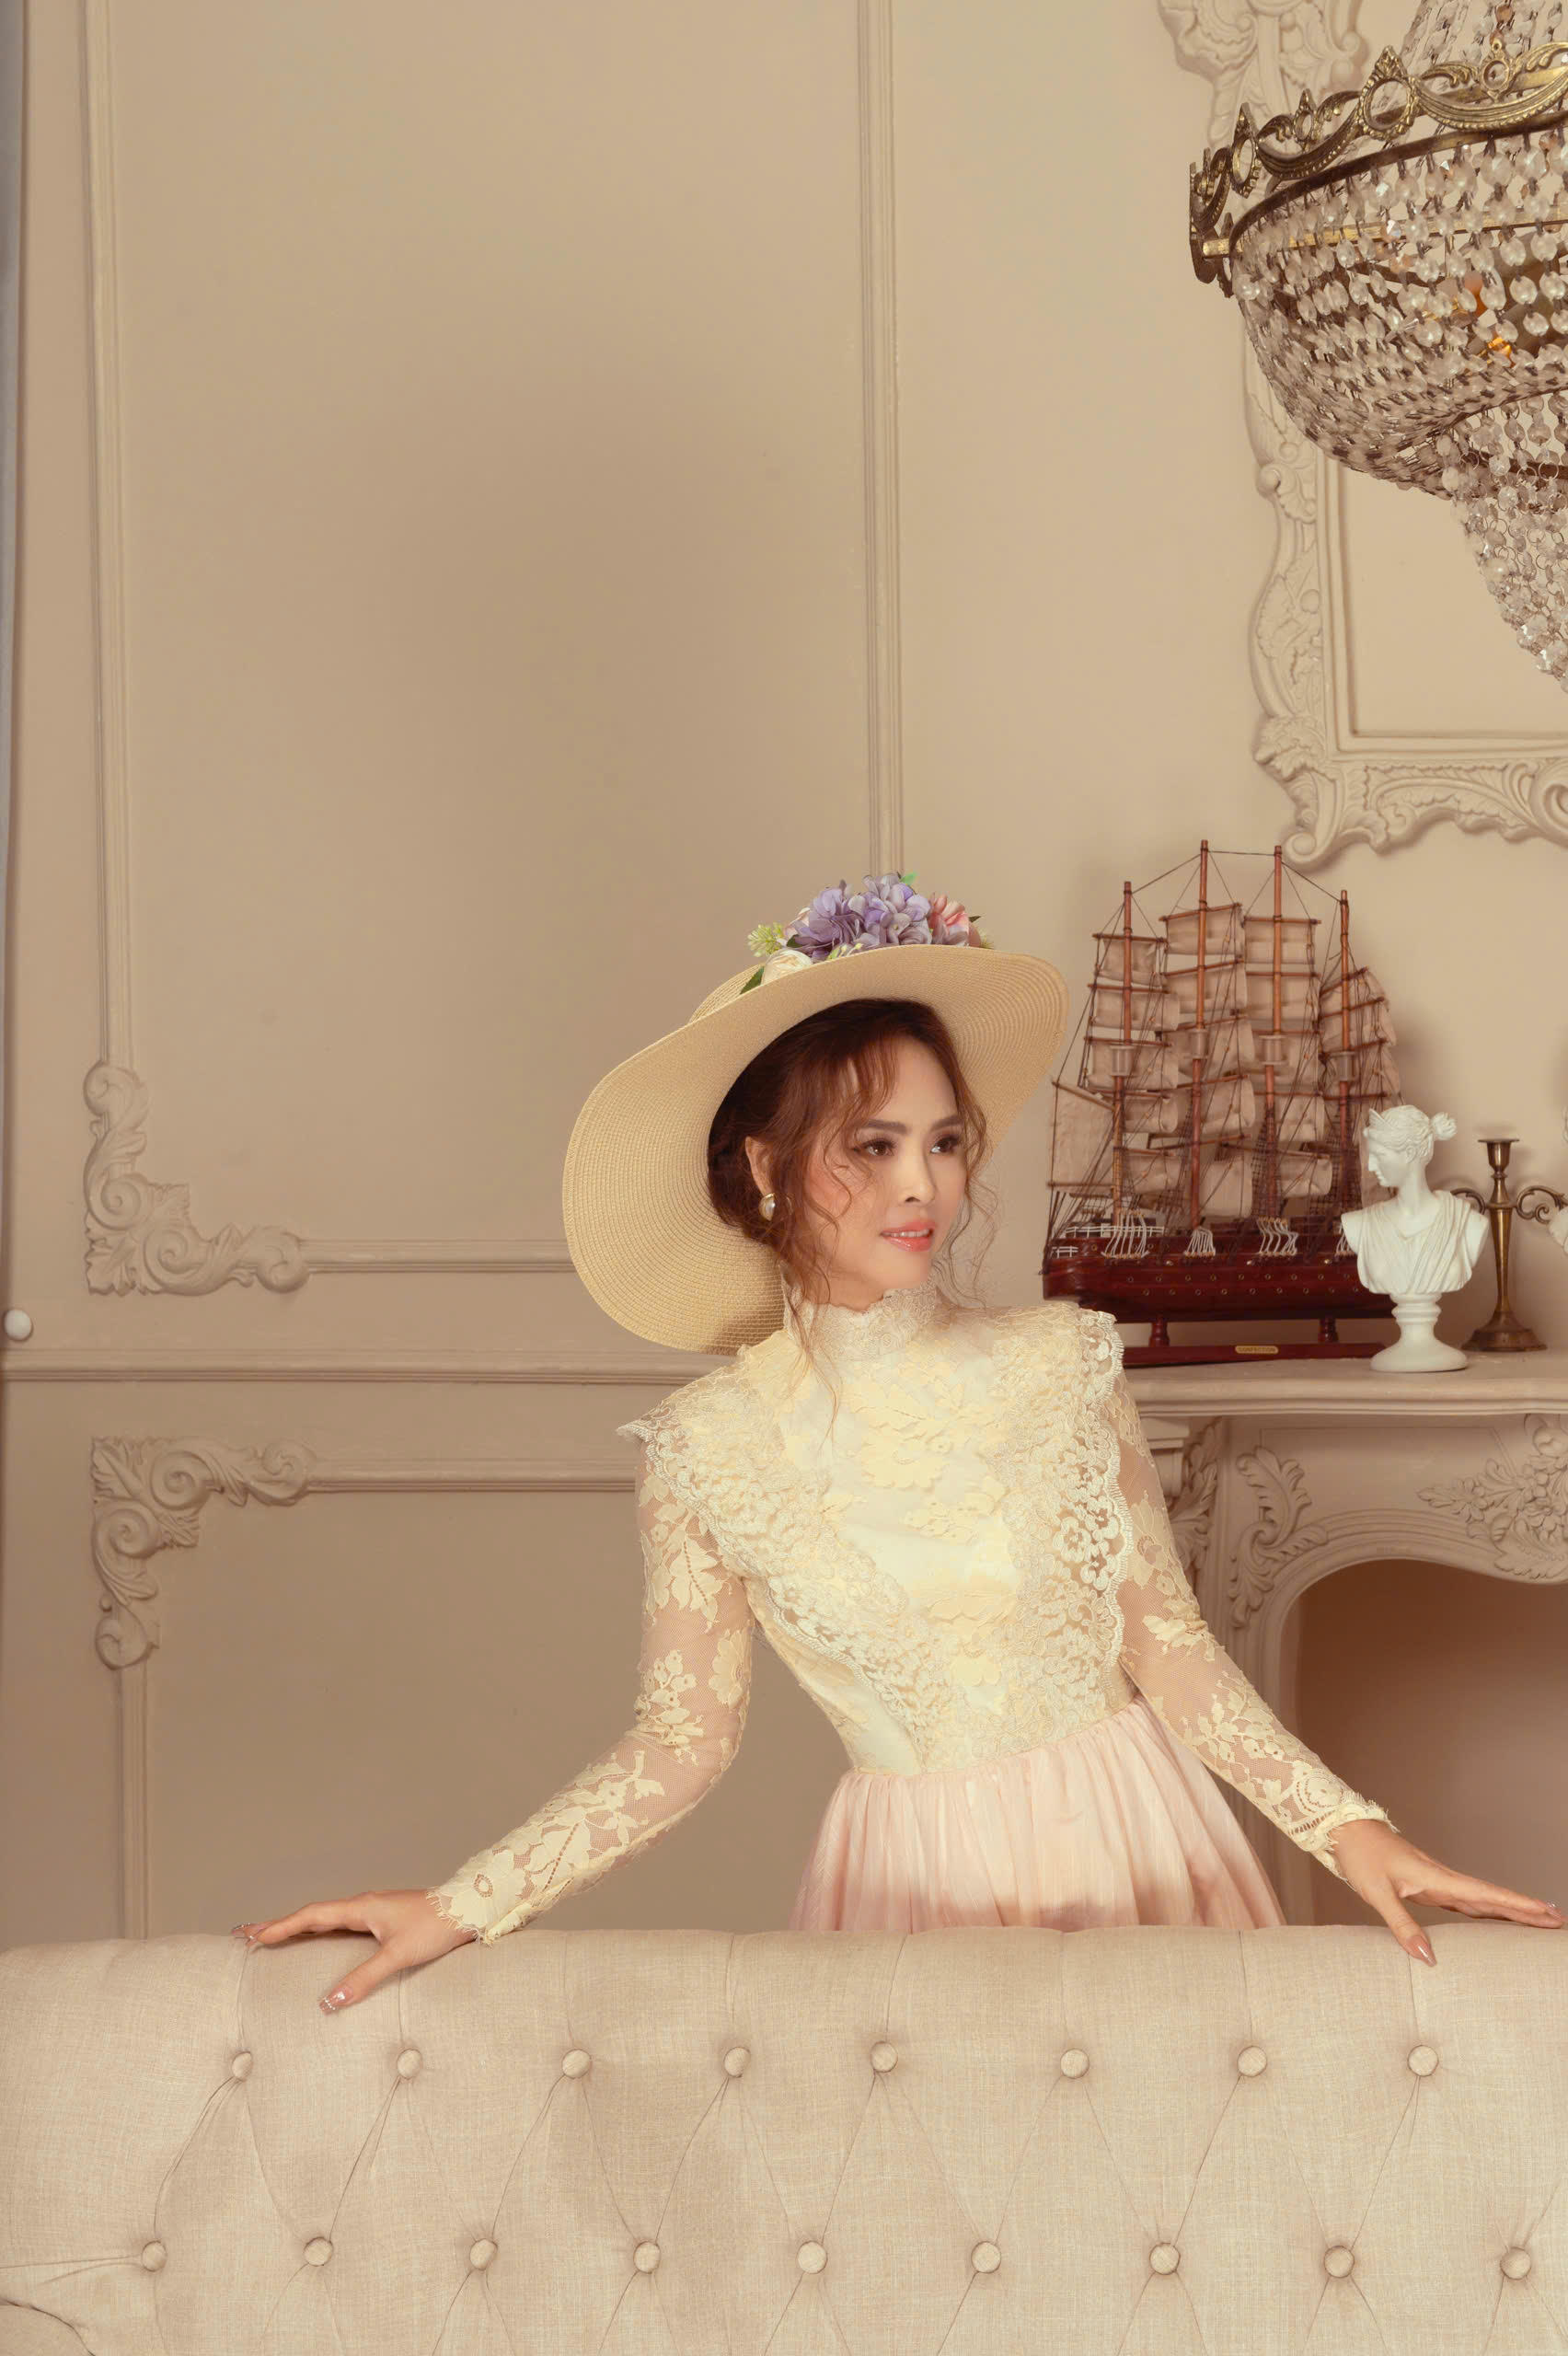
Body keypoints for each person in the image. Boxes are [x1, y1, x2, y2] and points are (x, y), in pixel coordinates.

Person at [232, 872, 1564, 2011]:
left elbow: (1169, 1647)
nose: (920, 1186)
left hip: (1141, 1845)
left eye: (941, 1142)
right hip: (912, 1888)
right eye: (868, 1148)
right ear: (765, 1170)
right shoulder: (706, 1449)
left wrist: (1353, 1832)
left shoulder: (1059, 1362)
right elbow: (678, 1746)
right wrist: (461, 1905)